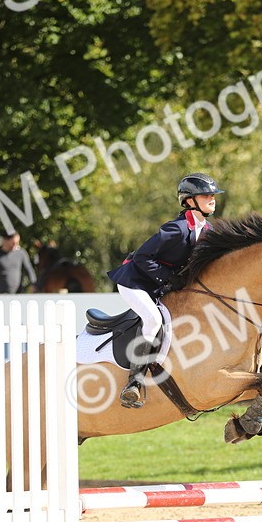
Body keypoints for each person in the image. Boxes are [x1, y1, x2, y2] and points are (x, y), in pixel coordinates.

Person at [107, 172, 224, 408]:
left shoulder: (208, 230)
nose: (212, 198)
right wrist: (169, 278)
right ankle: (134, 384)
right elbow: (142, 256)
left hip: (156, 285)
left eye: (213, 194)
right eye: (206, 195)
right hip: (135, 282)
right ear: (189, 201)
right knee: (152, 320)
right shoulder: (177, 229)